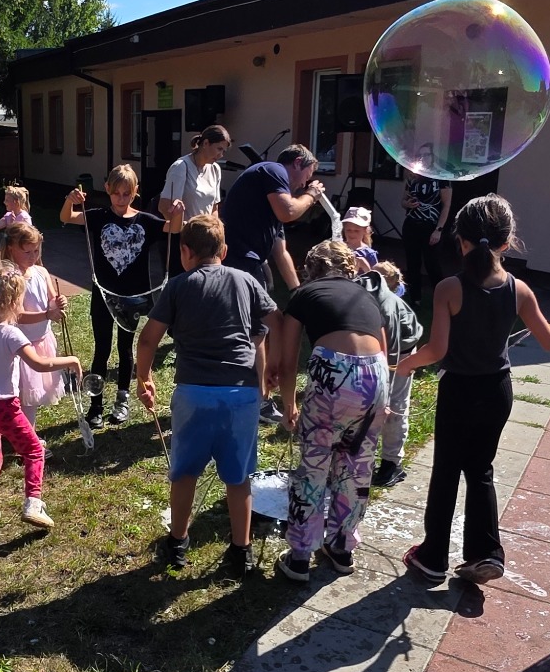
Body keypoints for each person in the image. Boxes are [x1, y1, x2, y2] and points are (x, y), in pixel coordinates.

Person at [398, 193, 550, 587]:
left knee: (446, 471)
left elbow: (437, 351)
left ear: (460, 240)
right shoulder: (519, 289)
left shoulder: (449, 288)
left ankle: (432, 558)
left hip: (459, 393)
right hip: (496, 392)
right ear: (506, 241)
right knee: (480, 471)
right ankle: (486, 554)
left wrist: (402, 364)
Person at [136, 212, 279, 574]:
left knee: (184, 474)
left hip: (194, 394)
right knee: (238, 477)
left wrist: (144, 379)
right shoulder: (246, 280)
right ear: (225, 250)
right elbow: (276, 322)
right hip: (241, 395)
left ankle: (177, 543)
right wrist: (274, 367)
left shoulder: (179, 286)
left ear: (185, 252)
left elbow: (148, 338)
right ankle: (240, 550)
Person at [269, 239, 390, 584]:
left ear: (312, 270)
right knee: (356, 467)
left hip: (333, 373)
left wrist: (289, 403)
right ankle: (341, 548)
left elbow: (290, 359)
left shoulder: (306, 295)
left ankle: (300, 557)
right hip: (375, 376)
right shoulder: (366, 297)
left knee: (314, 466)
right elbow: (383, 349)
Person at [0, 261, 81, 532]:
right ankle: (33, 503)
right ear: (15, 301)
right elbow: (40, 364)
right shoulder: (11, 334)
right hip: (5, 407)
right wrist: (71, 360)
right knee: (34, 451)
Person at [61, 165, 171, 427]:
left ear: (135, 193)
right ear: (107, 189)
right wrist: (70, 200)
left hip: (132, 297)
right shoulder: (99, 217)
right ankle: (96, 405)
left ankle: (122, 400)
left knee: (125, 348)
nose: (121, 199)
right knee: (102, 348)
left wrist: (177, 213)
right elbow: (67, 217)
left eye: (127, 194)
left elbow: (173, 228)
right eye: (117, 193)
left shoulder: (145, 220)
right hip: (104, 295)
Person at [221, 142, 323, 292]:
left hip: (251, 259)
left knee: (265, 297)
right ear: (297, 162)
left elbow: (280, 252)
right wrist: (311, 195)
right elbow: (288, 212)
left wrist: (297, 291)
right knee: (254, 310)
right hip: (238, 257)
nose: (303, 184)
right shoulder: (274, 169)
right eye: (306, 176)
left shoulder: (274, 199)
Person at [367, 258, 424, 490]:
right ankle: (366, 459)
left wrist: (385, 394)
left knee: (394, 407)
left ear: (389, 283)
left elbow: (390, 353)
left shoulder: (388, 306)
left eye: (377, 276)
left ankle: (392, 464)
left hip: (401, 353)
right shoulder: (369, 295)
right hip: (384, 349)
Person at [1, 222, 67, 412]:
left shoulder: (41, 272)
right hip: (22, 345)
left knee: (33, 394)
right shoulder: (13, 277)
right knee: (22, 393)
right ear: (11, 249)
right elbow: (18, 315)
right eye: (27, 252)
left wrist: (58, 302)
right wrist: (47, 314)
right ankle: (26, 436)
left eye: (36, 251)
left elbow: (51, 299)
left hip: (42, 339)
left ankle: (27, 434)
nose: (33, 257)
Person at [160, 125, 231, 269]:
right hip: (182, 241)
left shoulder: (215, 169)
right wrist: (185, 227)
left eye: (223, 151)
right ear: (205, 144)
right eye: (219, 149)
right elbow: (164, 206)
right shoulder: (181, 166)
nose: (221, 155)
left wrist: (217, 234)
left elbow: (214, 207)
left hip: (205, 242)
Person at [400, 159, 453, 298]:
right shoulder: (413, 177)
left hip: (431, 227)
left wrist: (439, 229)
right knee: (412, 263)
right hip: (411, 224)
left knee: (432, 264)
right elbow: (403, 201)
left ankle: (441, 297)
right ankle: (415, 298)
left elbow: (446, 205)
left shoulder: (442, 179)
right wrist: (407, 204)